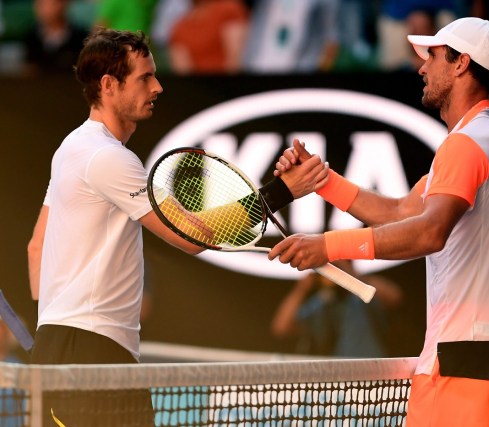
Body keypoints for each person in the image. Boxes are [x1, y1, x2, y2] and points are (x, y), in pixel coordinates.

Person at [26, 27, 328, 426]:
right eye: (145, 77)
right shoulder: (106, 158)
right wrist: (282, 191)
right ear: (108, 85)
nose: (158, 86)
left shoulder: (72, 147)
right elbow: (192, 235)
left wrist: (51, 331)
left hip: (62, 347)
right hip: (92, 352)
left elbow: (36, 248)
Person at [268, 17, 489, 426]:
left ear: (460, 64)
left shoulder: (466, 145)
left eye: (432, 56)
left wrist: (326, 247)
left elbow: (428, 231)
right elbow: (402, 212)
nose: (421, 67)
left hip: (467, 361)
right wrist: (323, 181)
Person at [271, 259, 403, 358]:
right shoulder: (323, 302)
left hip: (373, 374)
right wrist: (301, 289)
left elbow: (395, 297)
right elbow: (281, 328)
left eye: (336, 267)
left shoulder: (364, 296)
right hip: (339, 378)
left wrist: (351, 276)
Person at [167, 0, 250, 75]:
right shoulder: (179, 27)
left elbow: (234, 59)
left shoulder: (229, 9)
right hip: (199, 87)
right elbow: (183, 70)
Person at [23, 0, 89, 75]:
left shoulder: (79, 37)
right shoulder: (32, 37)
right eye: (41, 4)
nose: (45, 9)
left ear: (64, 4)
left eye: (51, 4)